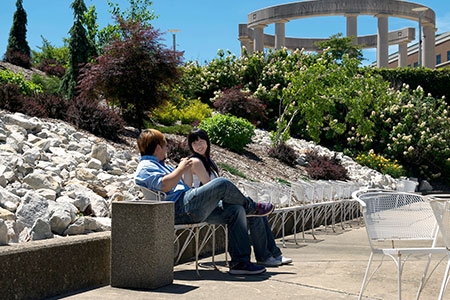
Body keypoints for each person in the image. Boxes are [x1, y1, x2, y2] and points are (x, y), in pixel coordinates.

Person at [134, 129, 275, 275]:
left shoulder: (162, 165)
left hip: (188, 205)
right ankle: (251, 207)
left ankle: (240, 263)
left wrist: (186, 171)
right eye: (165, 145)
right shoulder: (146, 167)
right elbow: (164, 185)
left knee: (236, 211)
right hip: (177, 209)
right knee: (222, 184)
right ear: (158, 147)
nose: (166, 149)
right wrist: (180, 169)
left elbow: (186, 187)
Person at [186, 128, 292, 267]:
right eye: (195, 143)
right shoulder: (195, 161)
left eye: (201, 141)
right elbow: (210, 188)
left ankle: (273, 254)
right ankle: (265, 256)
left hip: (215, 205)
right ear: (191, 146)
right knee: (253, 211)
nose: (199, 145)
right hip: (205, 209)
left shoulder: (209, 162)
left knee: (257, 213)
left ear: (207, 141)